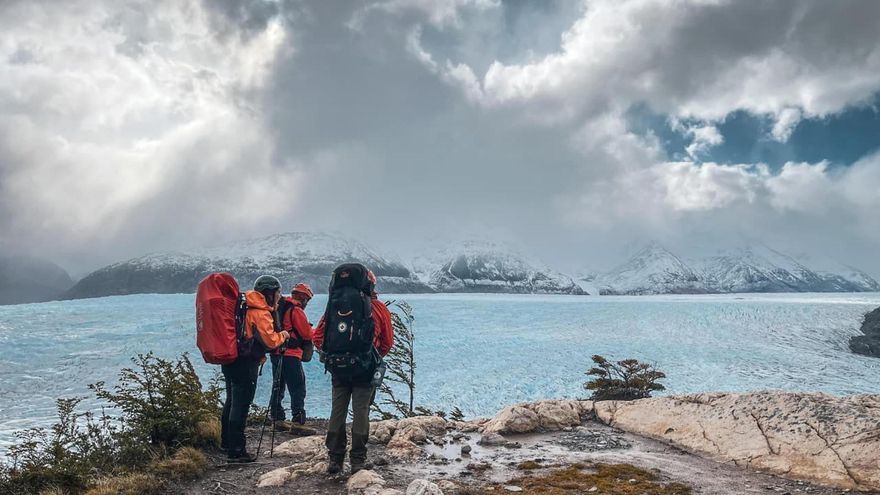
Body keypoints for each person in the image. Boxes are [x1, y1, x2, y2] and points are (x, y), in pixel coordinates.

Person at [314, 268, 393, 475]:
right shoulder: (377, 308)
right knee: (361, 411)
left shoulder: (334, 305)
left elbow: (317, 336)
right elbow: (387, 342)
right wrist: (372, 357)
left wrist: (332, 356)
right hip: (365, 370)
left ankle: (335, 459)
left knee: (337, 410)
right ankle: (358, 459)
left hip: (338, 368)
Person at [220, 275, 290, 463]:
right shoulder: (260, 312)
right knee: (240, 405)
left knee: (231, 401)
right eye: (277, 292)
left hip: (231, 359)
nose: (279, 296)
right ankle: (236, 451)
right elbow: (270, 340)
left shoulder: (244, 305)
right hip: (246, 363)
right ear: (269, 293)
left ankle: (226, 442)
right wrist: (283, 335)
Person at [269, 282, 315, 426]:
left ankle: (277, 416)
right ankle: (298, 419)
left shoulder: (279, 307)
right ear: (304, 298)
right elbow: (306, 334)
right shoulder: (296, 310)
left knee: (278, 385)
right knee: (297, 387)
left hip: (276, 352)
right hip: (291, 354)